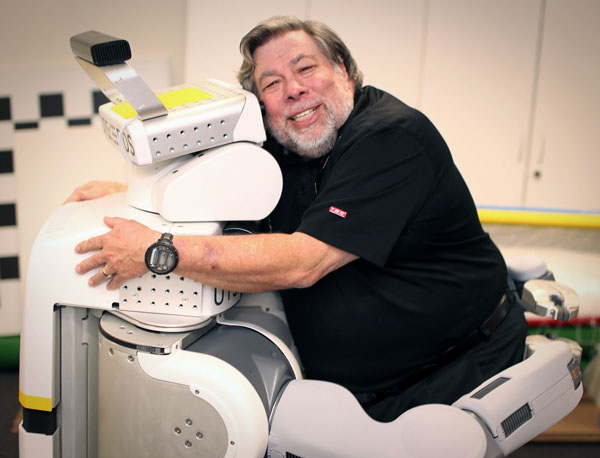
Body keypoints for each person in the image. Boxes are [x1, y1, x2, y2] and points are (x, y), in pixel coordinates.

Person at [69, 16, 528, 422]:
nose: (293, 89)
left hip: (454, 368)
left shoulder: (392, 139)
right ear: (261, 104)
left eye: (306, 68)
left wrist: (158, 251)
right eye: (271, 83)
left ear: (342, 71)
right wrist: (132, 192)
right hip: (362, 387)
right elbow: (222, 193)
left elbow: (302, 262)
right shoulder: (286, 143)